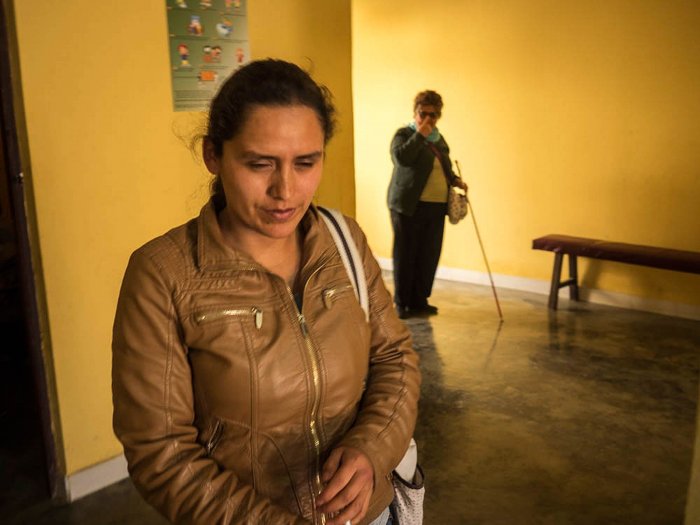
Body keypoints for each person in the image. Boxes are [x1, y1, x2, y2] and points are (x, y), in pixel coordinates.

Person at [112, 59, 420, 525]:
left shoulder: (342, 241)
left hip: (368, 514)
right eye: (259, 164)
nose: (286, 190)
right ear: (213, 155)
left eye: (306, 163)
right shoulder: (164, 275)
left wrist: (370, 449)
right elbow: (162, 453)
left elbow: (394, 359)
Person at [387, 90, 467, 319]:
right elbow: (401, 158)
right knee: (406, 254)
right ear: (415, 113)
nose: (428, 119)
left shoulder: (439, 139)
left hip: (436, 205)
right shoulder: (404, 134)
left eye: (434, 115)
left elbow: (444, 165)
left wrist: (455, 180)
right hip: (408, 206)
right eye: (424, 113)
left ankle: (420, 300)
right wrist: (420, 135)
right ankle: (402, 303)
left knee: (428, 254)